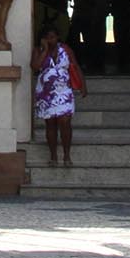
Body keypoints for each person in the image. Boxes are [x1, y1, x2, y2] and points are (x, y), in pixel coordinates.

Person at [31, 20, 82, 168]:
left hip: (64, 91)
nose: (50, 40)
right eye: (47, 38)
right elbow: (35, 67)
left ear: (58, 37)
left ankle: (66, 155)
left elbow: (75, 66)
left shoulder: (65, 49)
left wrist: (82, 86)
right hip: (46, 94)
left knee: (65, 122)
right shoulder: (38, 50)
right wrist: (45, 50)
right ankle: (53, 155)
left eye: (53, 37)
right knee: (51, 124)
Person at [107, 0, 130, 72]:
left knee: (119, 39)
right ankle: (126, 60)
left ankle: (121, 59)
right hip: (125, 20)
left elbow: (110, 7)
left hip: (119, 19)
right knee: (126, 40)